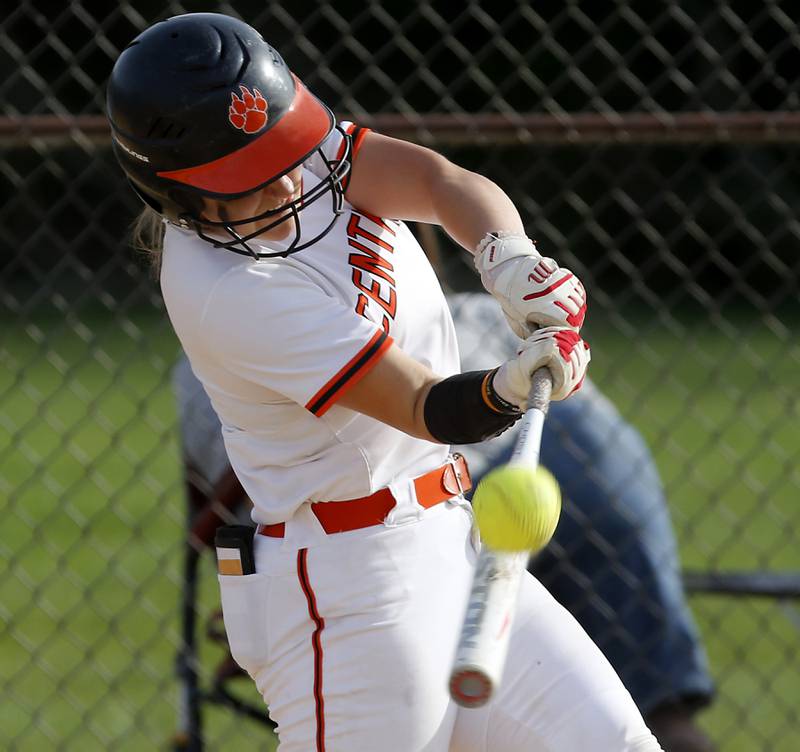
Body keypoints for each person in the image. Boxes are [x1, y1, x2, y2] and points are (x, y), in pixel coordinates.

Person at [108, 12, 662, 751]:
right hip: (350, 593)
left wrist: (509, 261)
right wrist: (509, 383)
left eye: (284, 154)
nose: (283, 184)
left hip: (452, 536)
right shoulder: (226, 290)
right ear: (176, 194)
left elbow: (438, 182)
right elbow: (423, 404)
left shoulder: (298, 157)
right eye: (249, 181)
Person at [171, 292, 716, 752]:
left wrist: (267, 603)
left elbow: (223, 506)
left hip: (446, 506)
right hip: (583, 481)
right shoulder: (467, 309)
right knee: (644, 721)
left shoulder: (221, 347)